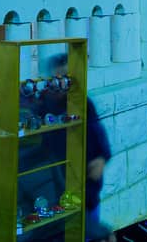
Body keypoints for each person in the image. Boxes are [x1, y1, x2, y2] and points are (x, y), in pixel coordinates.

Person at [42, 54, 114, 240]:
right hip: (59, 194)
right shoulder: (42, 108)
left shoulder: (83, 103)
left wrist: (102, 158)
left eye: (67, 77)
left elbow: (99, 135)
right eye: (59, 77)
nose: (63, 83)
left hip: (87, 192)